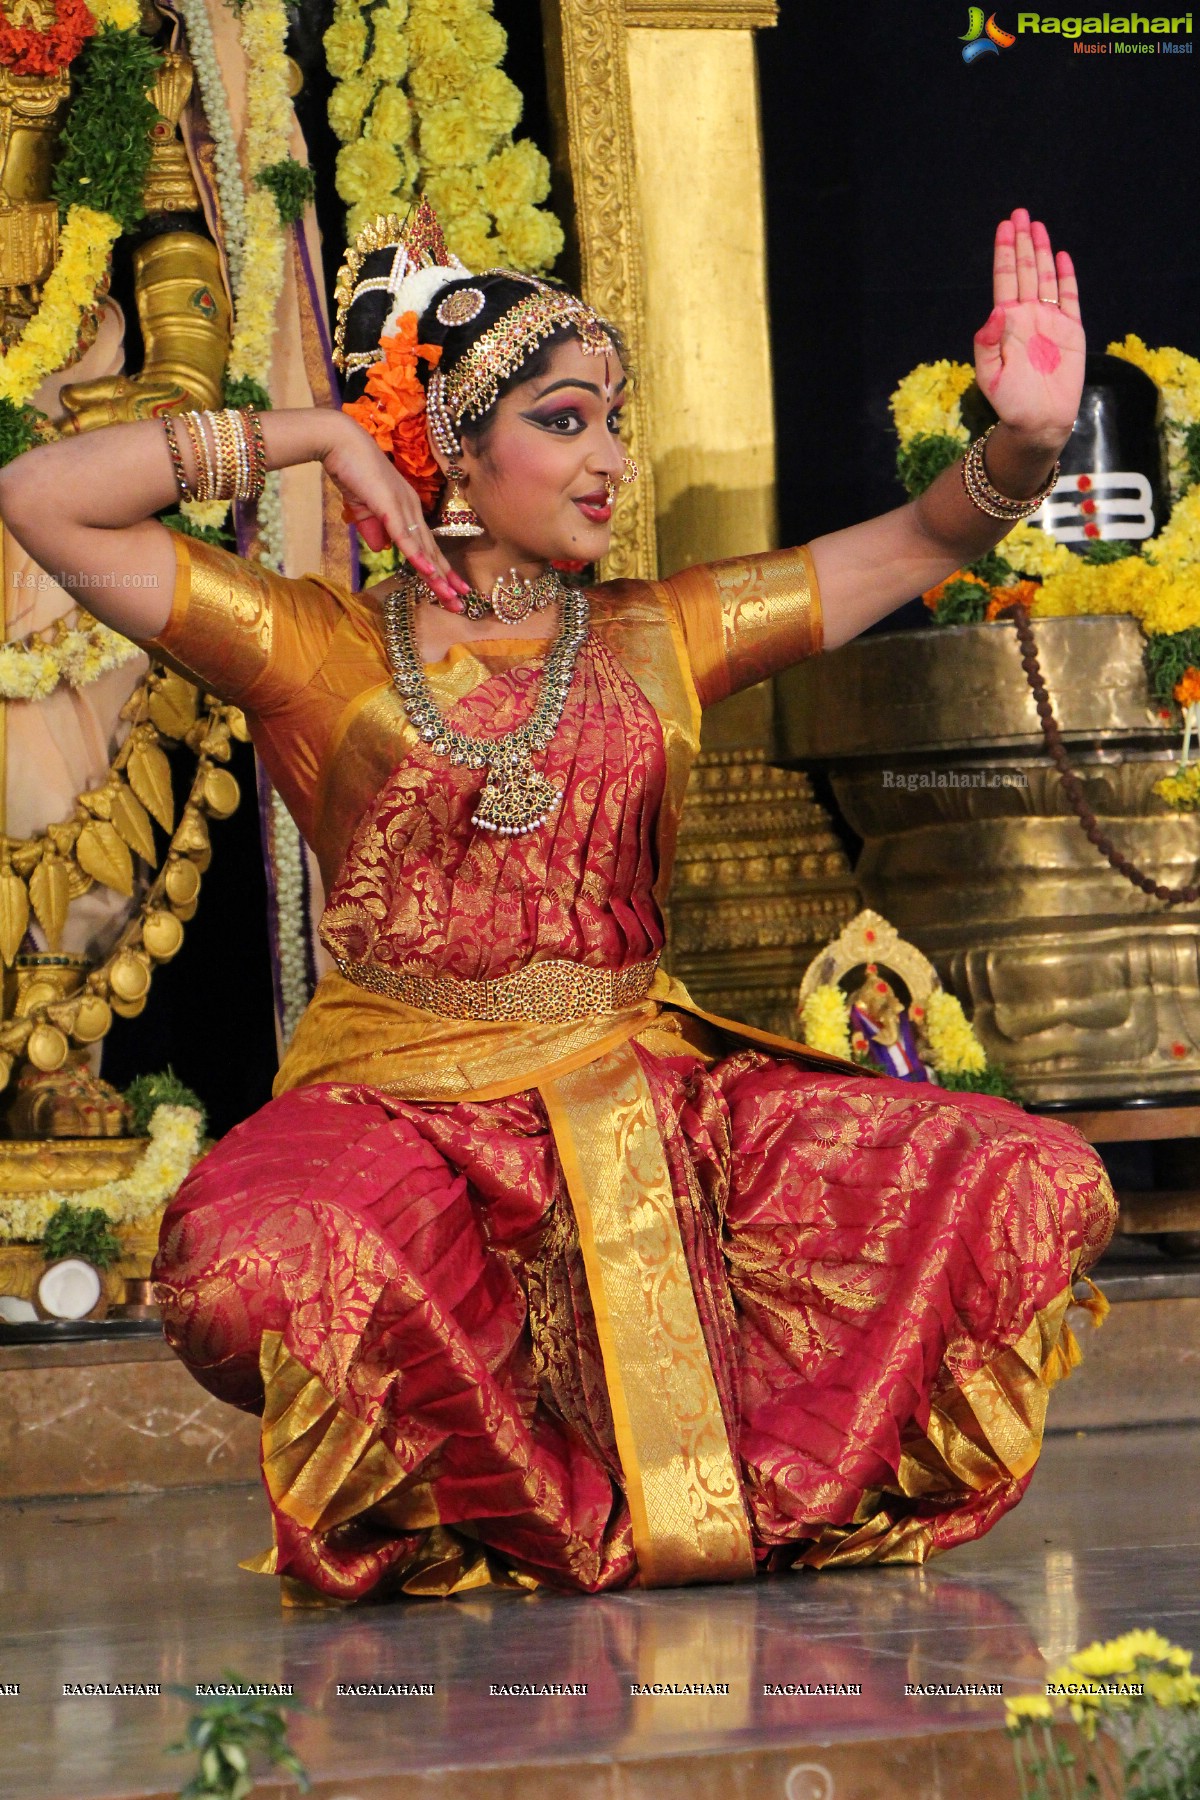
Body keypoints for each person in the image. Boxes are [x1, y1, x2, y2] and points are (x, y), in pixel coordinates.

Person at [0, 204, 1116, 1602]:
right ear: (458, 448)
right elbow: (45, 499)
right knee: (237, 1268)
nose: (610, 461)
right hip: (403, 1116)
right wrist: (316, 435)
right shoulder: (313, 645)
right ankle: (492, 1504)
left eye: (615, 423)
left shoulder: (662, 628)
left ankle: (638, 1495)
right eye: (568, 420)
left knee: (1036, 1179)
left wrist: (1020, 443)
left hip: (643, 1099)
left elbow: (914, 544)